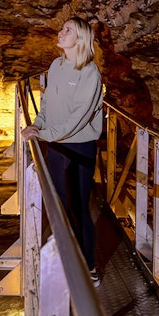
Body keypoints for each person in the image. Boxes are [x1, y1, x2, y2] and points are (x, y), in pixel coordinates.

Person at [21, 17, 104, 285]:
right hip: (55, 143)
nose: (60, 32)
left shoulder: (89, 72)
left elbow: (80, 116)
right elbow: (47, 105)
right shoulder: (55, 66)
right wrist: (37, 124)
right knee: (57, 203)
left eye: (67, 30)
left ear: (80, 38)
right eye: (62, 28)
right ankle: (68, 259)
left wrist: (46, 135)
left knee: (78, 207)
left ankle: (89, 267)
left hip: (79, 146)